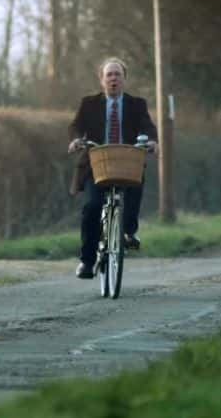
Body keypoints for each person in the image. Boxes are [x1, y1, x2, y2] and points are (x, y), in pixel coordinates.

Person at [67, 58, 158, 279]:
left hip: (127, 162)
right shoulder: (88, 103)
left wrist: (152, 141)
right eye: (109, 75)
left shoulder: (137, 104)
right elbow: (76, 126)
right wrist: (77, 139)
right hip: (95, 164)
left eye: (117, 74)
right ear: (102, 80)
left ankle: (127, 232)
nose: (113, 79)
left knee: (134, 189)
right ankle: (87, 261)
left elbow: (147, 126)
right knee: (92, 207)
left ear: (124, 79)